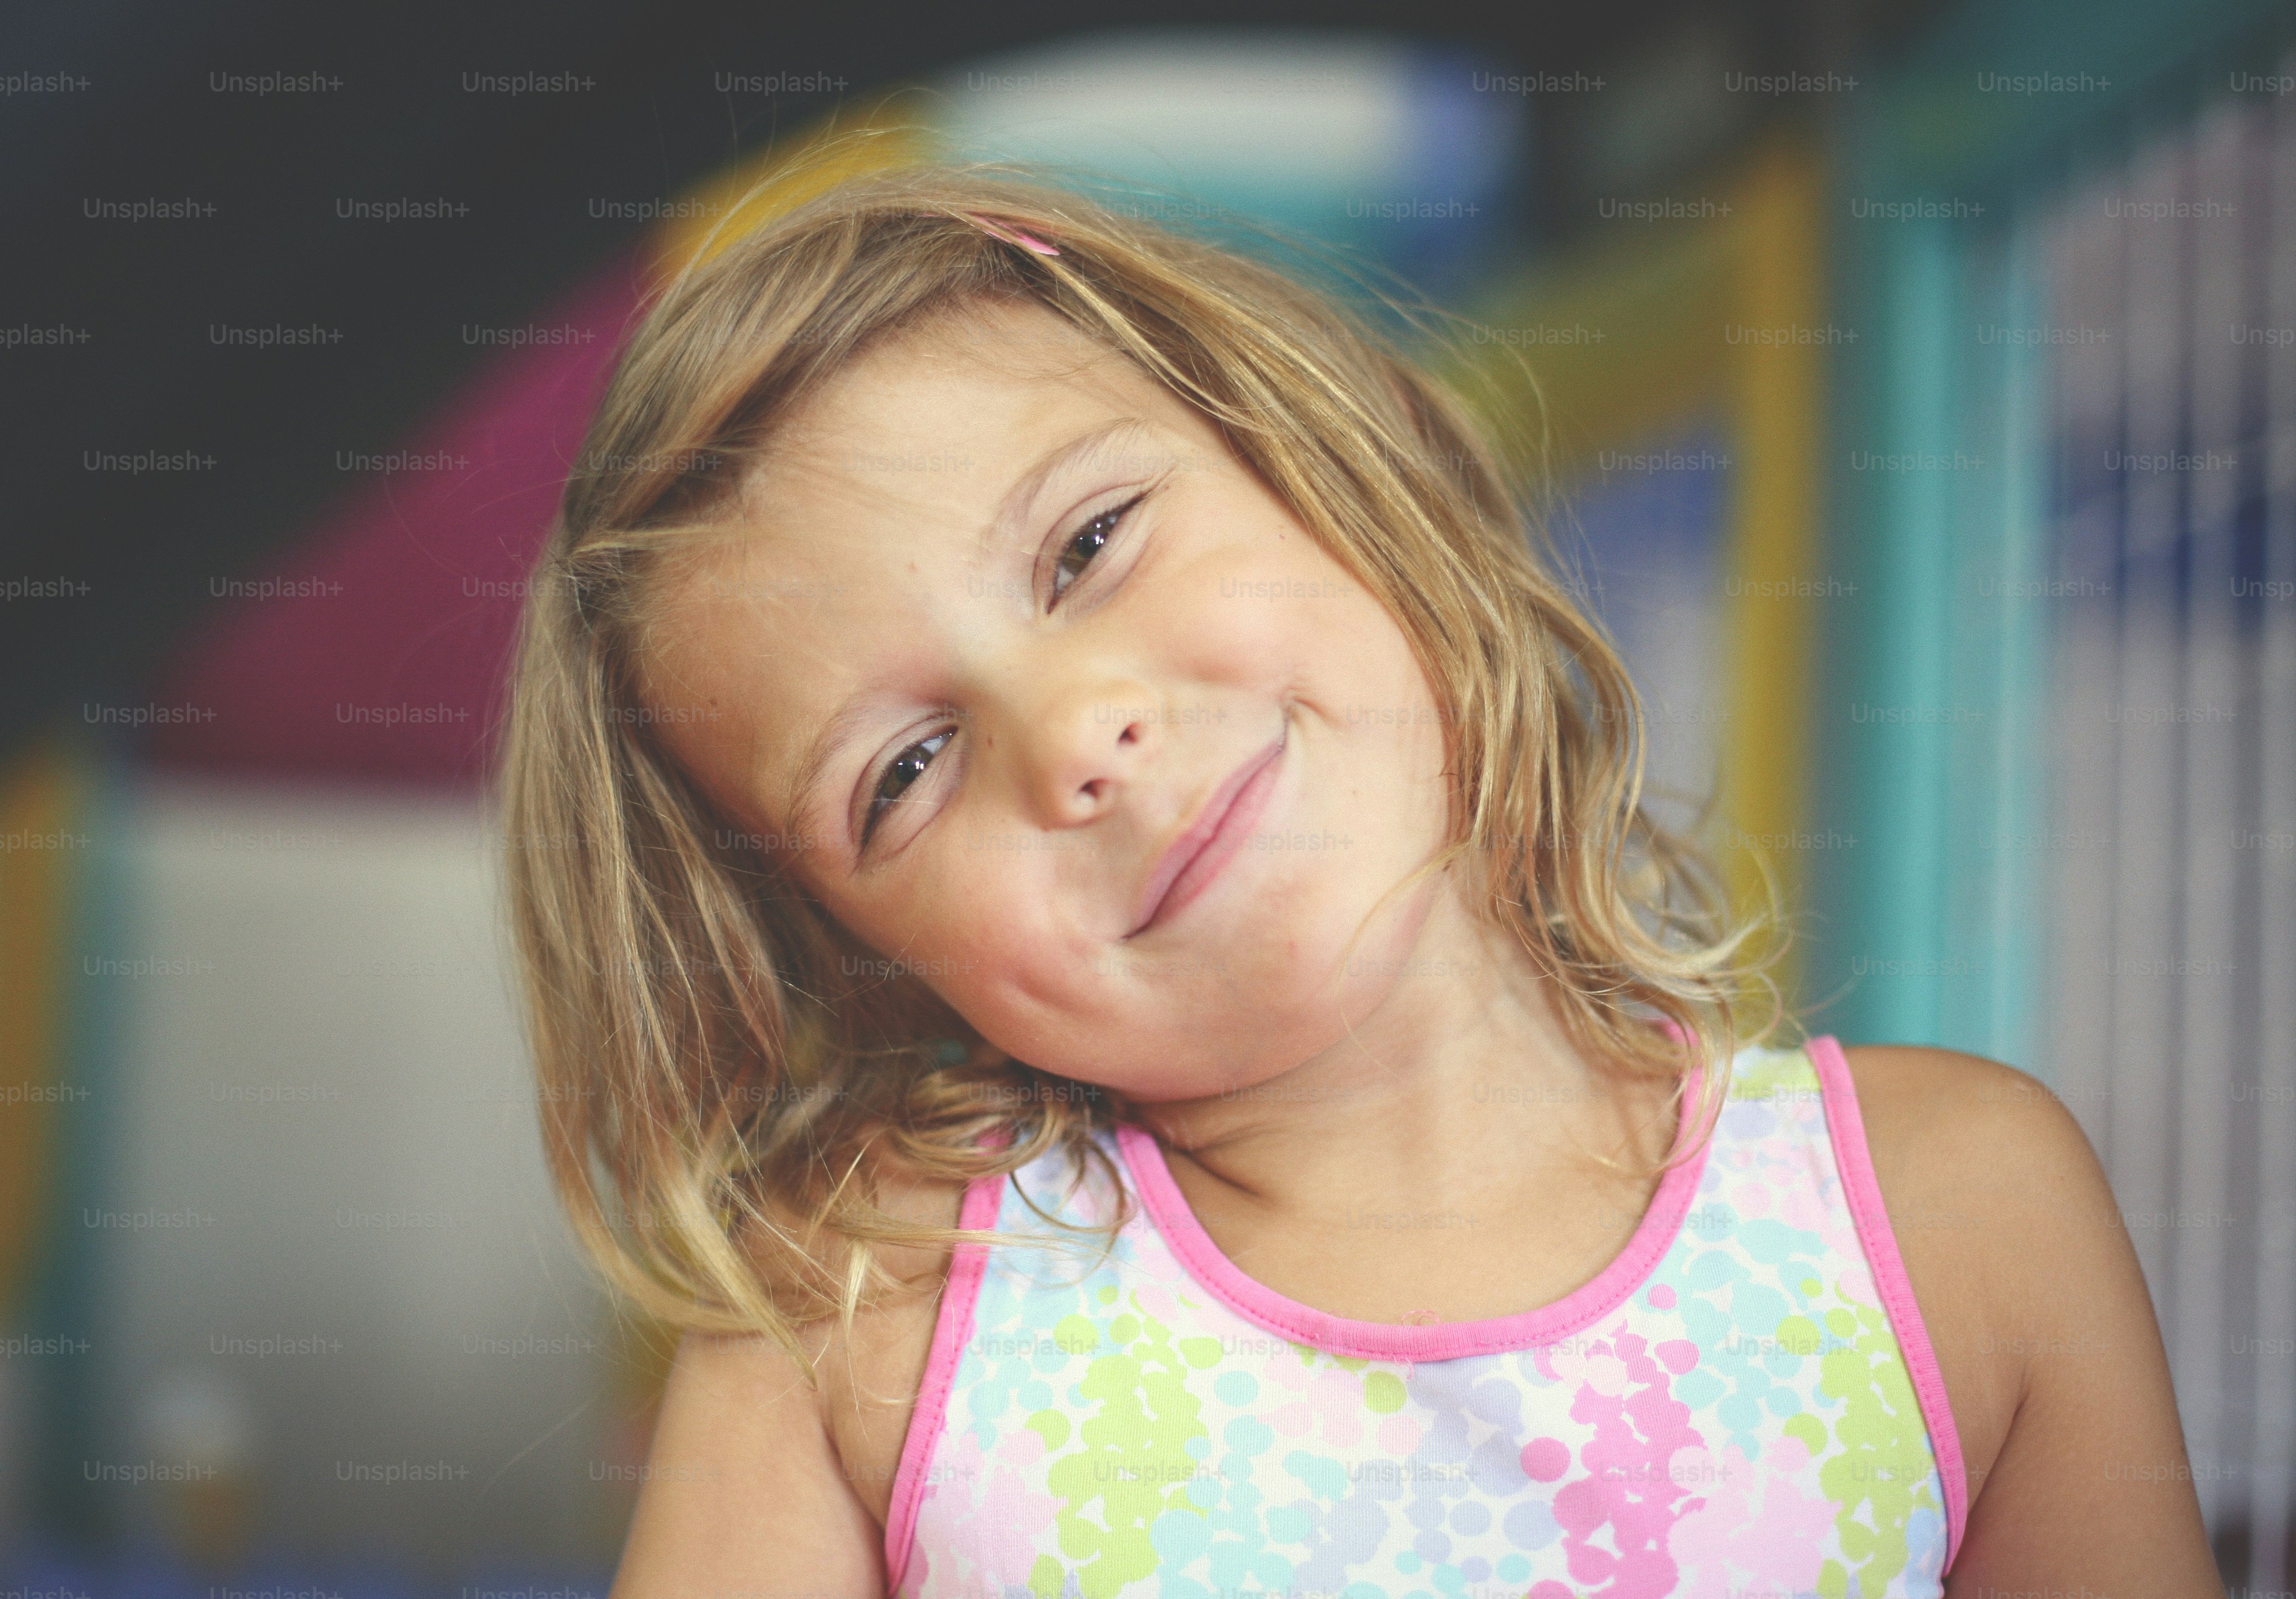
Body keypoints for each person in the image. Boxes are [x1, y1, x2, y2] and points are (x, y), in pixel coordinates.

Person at [496, 159, 2220, 1597]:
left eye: (1091, 543)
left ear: (1342, 466)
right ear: (863, 962)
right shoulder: (855, 1327)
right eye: (905, 771)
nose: (1078, 737)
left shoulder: (1956, 1219)